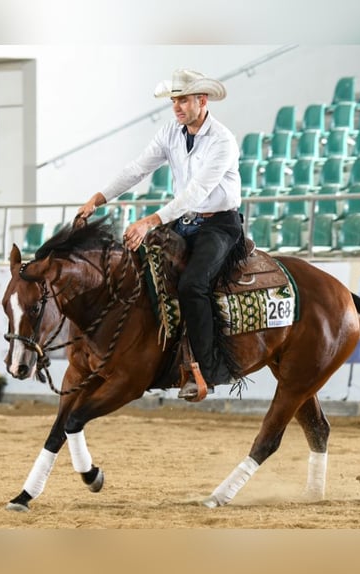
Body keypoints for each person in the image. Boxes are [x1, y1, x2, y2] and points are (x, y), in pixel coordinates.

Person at [77, 69, 244, 400]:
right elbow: (137, 169)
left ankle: (208, 369)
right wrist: (99, 198)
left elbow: (196, 192)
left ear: (202, 100)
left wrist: (150, 221)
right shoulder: (171, 132)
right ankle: (149, 358)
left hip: (219, 225)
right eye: (174, 101)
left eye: (182, 100)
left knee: (192, 285)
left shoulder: (222, 140)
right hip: (185, 222)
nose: (177, 107)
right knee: (136, 270)